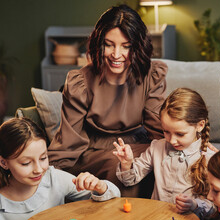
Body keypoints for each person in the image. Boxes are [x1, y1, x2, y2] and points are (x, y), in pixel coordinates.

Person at [48, 4, 168, 197]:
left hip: (139, 144)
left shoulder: (151, 75)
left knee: (159, 158)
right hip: (95, 151)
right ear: (98, 43)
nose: (116, 54)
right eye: (109, 44)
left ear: (137, 46)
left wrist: (194, 146)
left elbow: (159, 130)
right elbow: (69, 141)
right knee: (123, 167)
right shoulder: (81, 82)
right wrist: (48, 177)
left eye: (126, 46)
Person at [0, 118, 120, 220]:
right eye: (26, 163)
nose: (38, 169)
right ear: (3, 162)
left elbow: (114, 197)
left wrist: (100, 187)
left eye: (43, 158)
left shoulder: (54, 178)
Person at [114, 88, 216, 220]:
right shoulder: (157, 147)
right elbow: (129, 180)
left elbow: (214, 207)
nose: (172, 140)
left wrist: (194, 205)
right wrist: (126, 164)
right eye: (166, 131)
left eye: (180, 134)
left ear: (200, 125)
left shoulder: (211, 158)